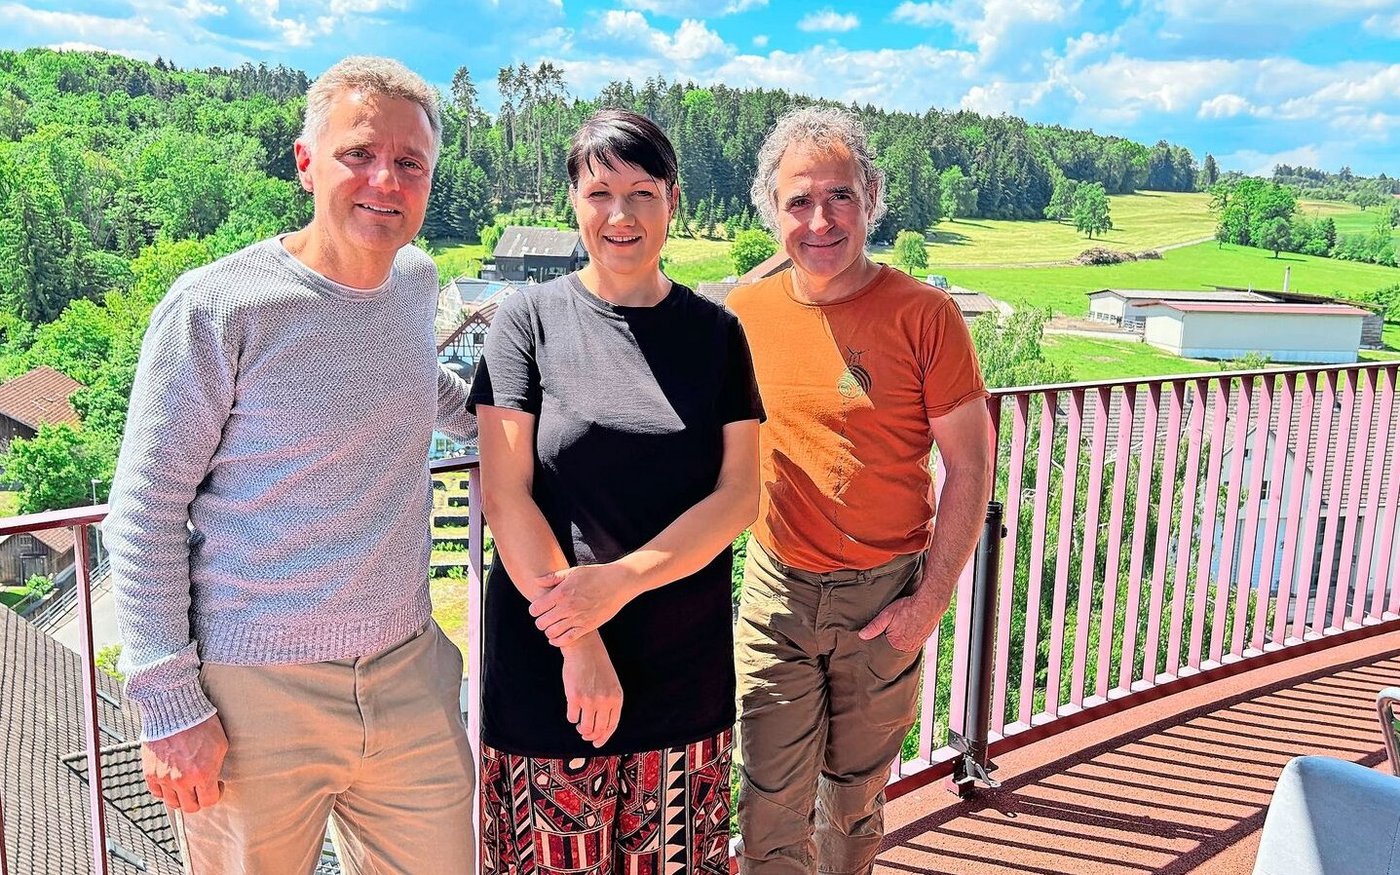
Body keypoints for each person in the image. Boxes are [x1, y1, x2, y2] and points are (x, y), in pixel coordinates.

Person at [103, 56, 478, 873]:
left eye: (410, 163)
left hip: (408, 669)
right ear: (306, 162)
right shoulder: (217, 307)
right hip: (252, 696)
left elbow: (423, 382)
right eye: (360, 153)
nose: (386, 178)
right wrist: (168, 702)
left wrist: (525, 427)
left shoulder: (414, 281)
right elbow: (143, 509)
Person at [468, 108, 763, 875]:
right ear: (573, 200)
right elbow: (507, 497)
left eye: (642, 191)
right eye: (600, 192)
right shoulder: (524, 322)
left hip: (682, 667)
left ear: (673, 201)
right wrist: (581, 636)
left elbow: (738, 496)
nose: (621, 214)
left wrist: (618, 584)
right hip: (549, 668)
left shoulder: (716, 334)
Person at [727, 106, 994, 874]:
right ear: (771, 211)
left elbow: (971, 466)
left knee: (851, 808)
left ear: (872, 195)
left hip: (884, 599)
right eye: (798, 202)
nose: (820, 220)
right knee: (768, 805)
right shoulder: (743, 310)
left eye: (839, 195)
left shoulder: (925, 314)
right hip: (776, 595)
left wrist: (927, 605)